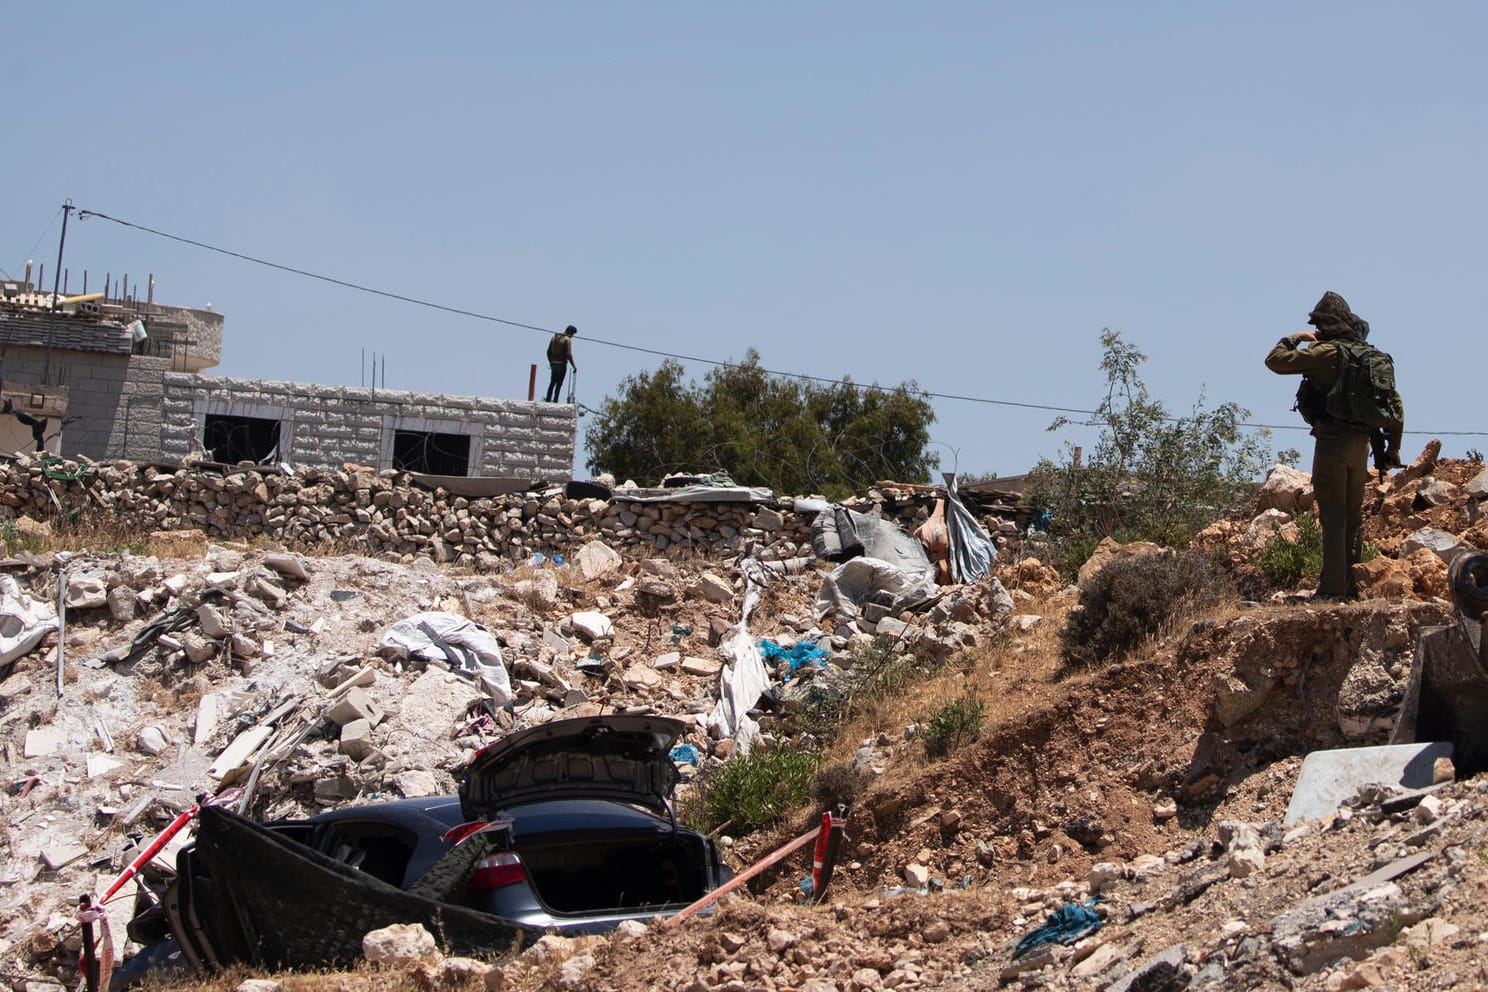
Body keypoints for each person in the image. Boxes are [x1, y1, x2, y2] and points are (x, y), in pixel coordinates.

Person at [1265, 291, 1404, 600]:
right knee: (1353, 516)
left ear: (1324, 324)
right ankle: (1353, 586)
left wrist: (1295, 337)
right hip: (1362, 445)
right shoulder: (1372, 357)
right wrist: (1393, 449)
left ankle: (1330, 590)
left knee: (1332, 516)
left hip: (1331, 444)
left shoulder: (1327, 353)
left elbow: (1274, 361)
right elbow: (1396, 405)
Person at [544, 325, 578, 403]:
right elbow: (569, 354)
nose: (572, 336)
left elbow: (548, 351)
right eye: (572, 334)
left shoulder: (554, 338)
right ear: (570, 332)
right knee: (559, 383)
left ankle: (548, 399)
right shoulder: (567, 339)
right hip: (562, 364)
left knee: (552, 382)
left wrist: (550, 362)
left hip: (554, 364)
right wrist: (574, 366)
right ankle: (555, 400)